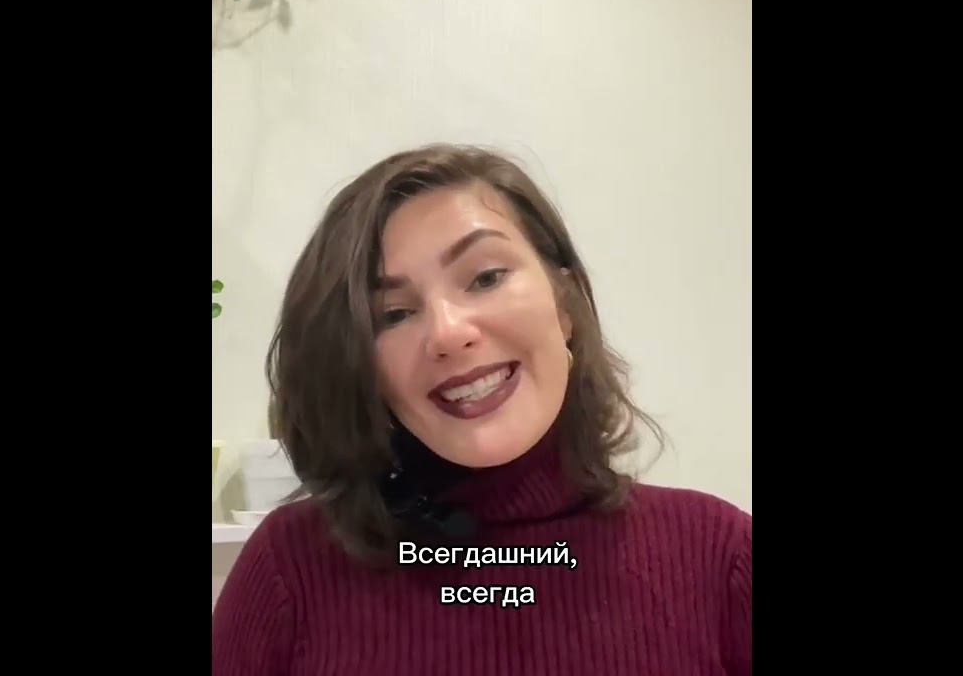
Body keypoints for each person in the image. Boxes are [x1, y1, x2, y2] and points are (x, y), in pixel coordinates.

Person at [212, 144, 751, 675]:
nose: (448, 333)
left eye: (486, 277)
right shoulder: (289, 572)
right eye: (394, 314)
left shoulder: (721, 559)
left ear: (565, 305)